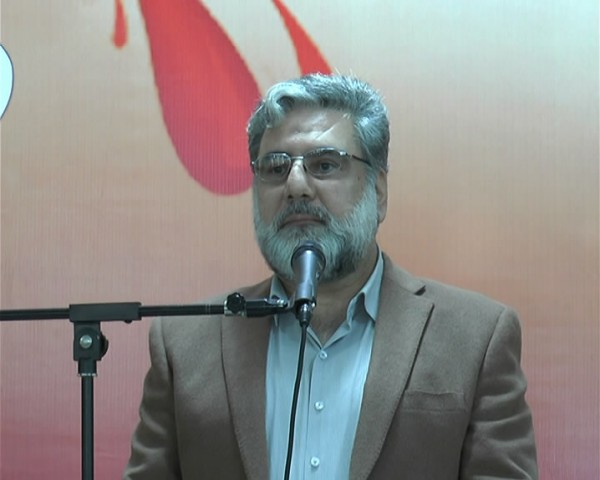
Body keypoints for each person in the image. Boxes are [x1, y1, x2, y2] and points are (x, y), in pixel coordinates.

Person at [123, 74, 537, 479]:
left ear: (378, 191)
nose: (296, 185)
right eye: (275, 167)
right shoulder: (185, 343)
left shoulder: (475, 337)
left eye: (324, 164)